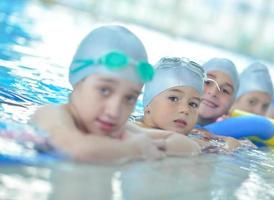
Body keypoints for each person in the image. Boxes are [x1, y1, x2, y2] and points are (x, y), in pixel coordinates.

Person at [31, 25, 164, 162]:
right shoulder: (50, 114)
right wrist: (135, 148)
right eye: (104, 90)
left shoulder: (116, 127)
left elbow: (181, 144)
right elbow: (77, 150)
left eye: (129, 98)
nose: (114, 111)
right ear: (78, 81)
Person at [133, 57, 241, 153]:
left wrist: (227, 141)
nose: (185, 110)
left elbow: (229, 145)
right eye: (173, 98)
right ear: (148, 103)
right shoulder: (131, 128)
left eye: (193, 104)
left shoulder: (193, 137)